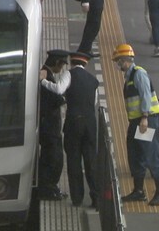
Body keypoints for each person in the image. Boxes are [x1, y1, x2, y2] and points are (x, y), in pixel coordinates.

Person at [112, 44, 159, 206]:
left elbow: (145, 96)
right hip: (136, 121)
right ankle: (138, 191)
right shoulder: (130, 76)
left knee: (150, 154)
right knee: (135, 154)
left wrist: (144, 117)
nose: (117, 64)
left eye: (118, 61)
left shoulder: (139, 74)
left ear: (124, 60)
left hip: (146, 121)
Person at [63, 52, 99, 207]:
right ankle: (96, 198)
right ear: (85, 64)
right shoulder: (93, 80)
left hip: (73, 124)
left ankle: (77, 198)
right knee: (91, 162)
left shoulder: (69, 75)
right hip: (90, 125)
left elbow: (60, 90)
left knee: (74, 161)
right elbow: (95, 101)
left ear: (71, 62)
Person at [37, 49, 71, 200]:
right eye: (62, 65)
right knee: (53, 158)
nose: (62, 69)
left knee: (51, 156)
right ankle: (48, 189)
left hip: (48, 125)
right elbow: (56, 99)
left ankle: (50, 187)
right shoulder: (45, 75)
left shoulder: (44, 73)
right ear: (57, 63)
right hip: (49, 126)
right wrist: (66, 97)